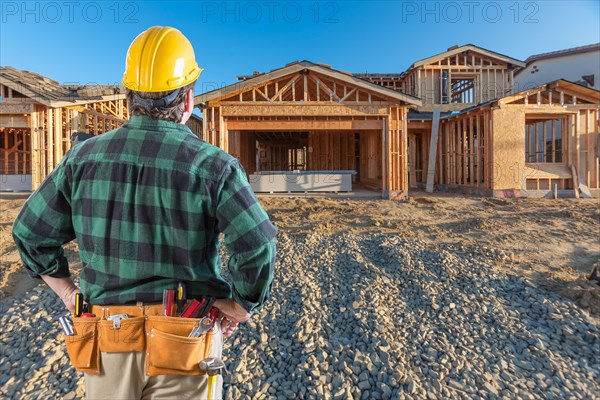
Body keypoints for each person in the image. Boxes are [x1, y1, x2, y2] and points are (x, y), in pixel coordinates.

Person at [12, 26, 277, 400]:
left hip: (107, 340)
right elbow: (257, 242)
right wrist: (240, 305)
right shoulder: (215, 167)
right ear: (188, 99)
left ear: (128, 97)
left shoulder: (82, 159)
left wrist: (69, 292)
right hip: (185, 340)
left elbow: (29, 234)